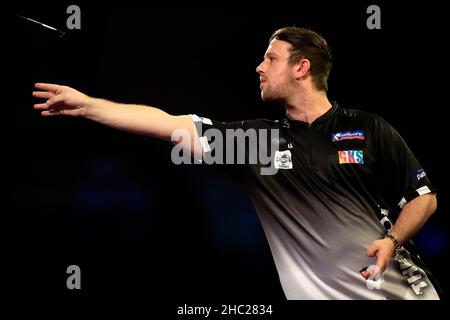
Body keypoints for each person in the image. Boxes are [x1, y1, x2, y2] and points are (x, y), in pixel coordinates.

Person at [33, 27, 441, 300]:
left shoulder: (368, 129)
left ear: (302, 68)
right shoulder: (256, 144)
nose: (259, 67)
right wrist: (89, 106)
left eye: (271, 58)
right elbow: (166, 123)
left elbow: (423, 198)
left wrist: (393, 240)